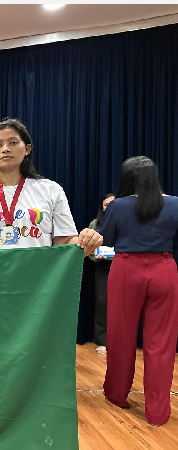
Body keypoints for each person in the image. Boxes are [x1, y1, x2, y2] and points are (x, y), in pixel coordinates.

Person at [98, 156, 178, 426]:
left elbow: (105, 239)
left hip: (126, 269)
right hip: (165, 268)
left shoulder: (118, 206)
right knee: (161, 344)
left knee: (121, 336)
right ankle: (158, 412)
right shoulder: (175, 203)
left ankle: (117, 394)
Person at [0, 118, 102, 256]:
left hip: (39, 276)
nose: (6, 149)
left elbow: (64, 243)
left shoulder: (50, 190)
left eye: (13, 142)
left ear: (27, 149)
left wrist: (87, 240)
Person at [88, 193, 116, 354]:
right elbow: (89, 247)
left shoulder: (125, 220)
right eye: (106, 205)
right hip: (102, 268)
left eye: (112, 204)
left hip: (123, 267)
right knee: (102, 303)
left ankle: (121, 341)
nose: (109, 208)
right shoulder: (95, 223)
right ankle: (102, 341)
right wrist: (96, 255)